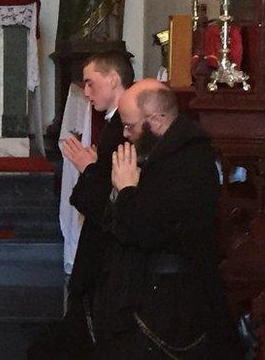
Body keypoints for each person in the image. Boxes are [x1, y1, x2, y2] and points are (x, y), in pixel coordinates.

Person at [94, 79, 241, 358]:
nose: (126, 134)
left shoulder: (188, 160)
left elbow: (149, 231)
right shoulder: (159, 152)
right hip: (152, 287)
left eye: (130, 126)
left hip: (173, 302)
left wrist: (126, 190)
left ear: (156, 120)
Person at [29, 51, 133, 358]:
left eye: (91, 83)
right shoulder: (115, 125)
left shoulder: (124, 128)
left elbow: (106, 200)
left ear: (113, 80)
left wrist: (89, 168)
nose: (86, 92)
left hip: (106, 253)